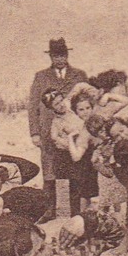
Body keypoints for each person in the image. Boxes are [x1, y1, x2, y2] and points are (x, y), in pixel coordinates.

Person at [28, 38, 87, 217]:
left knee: (75, 170)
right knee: (50, 172)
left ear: (67, 55)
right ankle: (49, 211)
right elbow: (32, 106)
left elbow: (86, 102)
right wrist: (35, 133)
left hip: (73, 129)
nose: (60, 59)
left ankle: (76, 212)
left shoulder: (79, 75)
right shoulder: (41, 76)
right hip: (48, 132)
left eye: (62, 55)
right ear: (51, 57)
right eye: (56, 56)